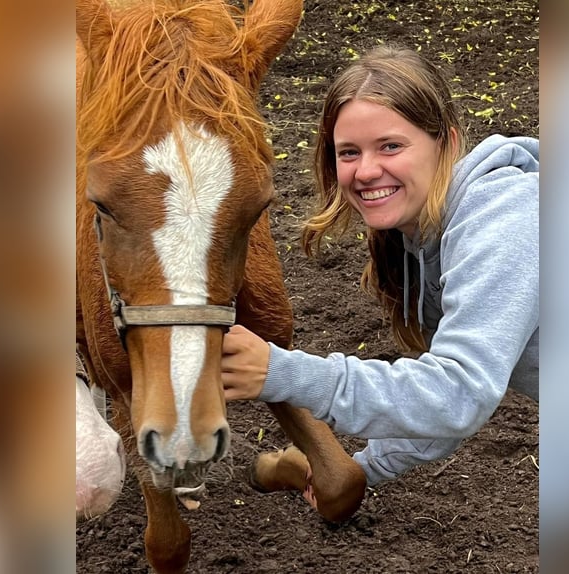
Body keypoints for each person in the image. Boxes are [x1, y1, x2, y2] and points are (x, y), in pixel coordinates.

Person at [221, 45, 538, 488]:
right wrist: (360, 471)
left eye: (390, 146)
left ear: (445, 141)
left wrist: (279, 372)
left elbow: (458, 393)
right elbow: (445, 401)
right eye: (348, 152)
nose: (366, 171)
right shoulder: (420, 239)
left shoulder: (506, 216)